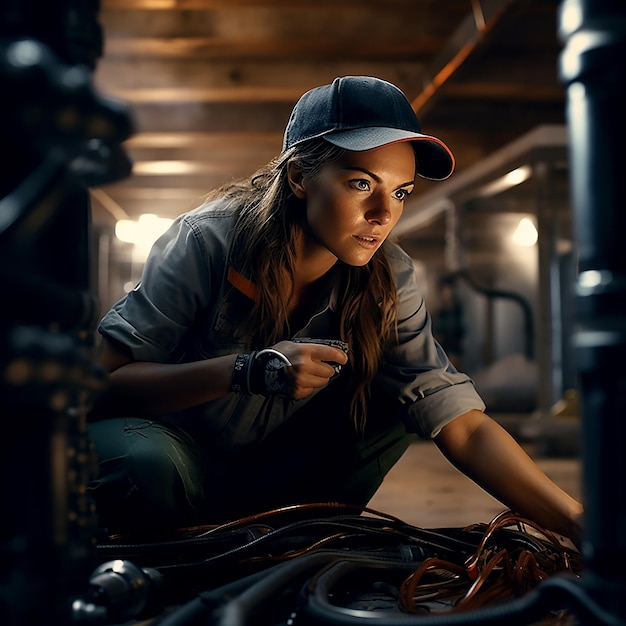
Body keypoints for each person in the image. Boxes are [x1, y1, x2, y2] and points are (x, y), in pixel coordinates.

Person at [87, 76, 583, 546]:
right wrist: (244, 371)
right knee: (137, 464)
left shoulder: (391, 275)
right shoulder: (207, 240)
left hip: (272, 482)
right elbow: (104, 384)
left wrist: (581, 524)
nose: (384, 214)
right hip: (175, 458)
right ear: (300, 176)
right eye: (362, 184)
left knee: (402, 402)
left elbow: (464, 426)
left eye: (401, 192)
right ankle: (185, 543)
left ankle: (286, 532)